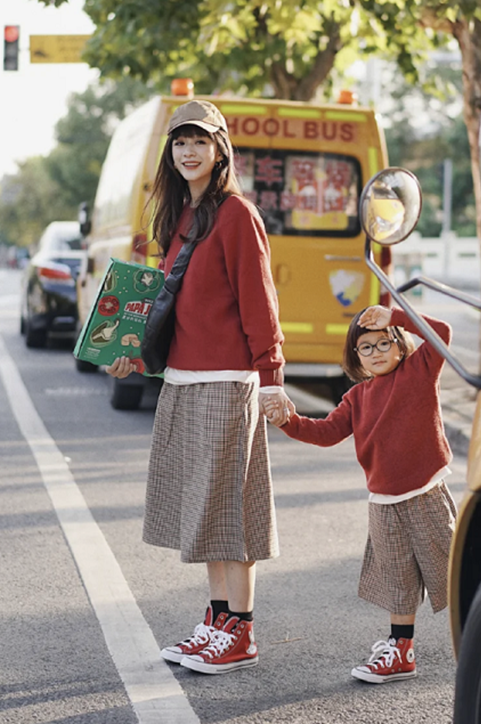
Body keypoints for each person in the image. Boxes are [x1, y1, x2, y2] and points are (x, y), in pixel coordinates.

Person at [107, 99, 291, 675]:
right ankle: (217, 620)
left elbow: (260, 304)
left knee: (229, 513)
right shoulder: (181, 217)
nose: (188, 151)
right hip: (184, 380)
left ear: (220, 150)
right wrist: (130, 356)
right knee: (206, 510)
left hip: (225, 381)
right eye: (180, 142)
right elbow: (169, 307)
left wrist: (271, 379)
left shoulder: (237, 214)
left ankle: (241, 631)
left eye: (200, 142)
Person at [264, 304, 457, 684]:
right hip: (383, 503)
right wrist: (287, 420)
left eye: (385, 343)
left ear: (400, 346)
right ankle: (401, 651)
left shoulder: (420, 371)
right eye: (366, 348)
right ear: (356, 358)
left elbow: (442, 333)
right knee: (397, 580)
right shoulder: (357, 398)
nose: (377, 352)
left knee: (452, 570)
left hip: (425, 494)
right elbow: (324, 433)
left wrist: (396, 316)